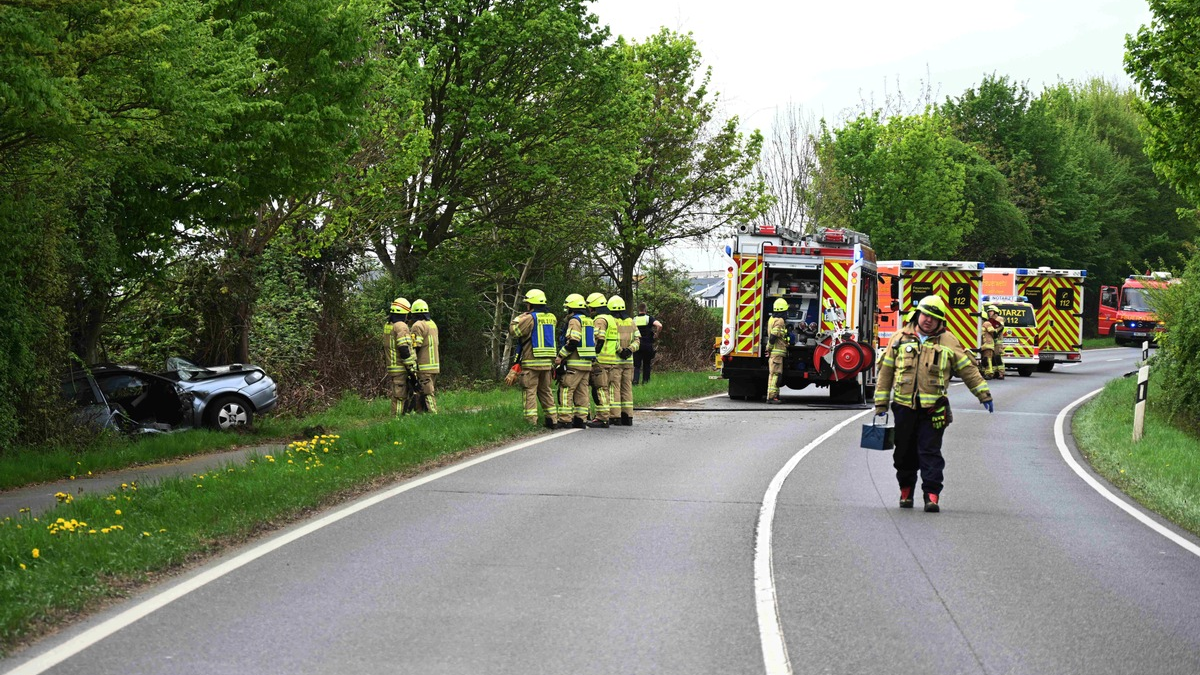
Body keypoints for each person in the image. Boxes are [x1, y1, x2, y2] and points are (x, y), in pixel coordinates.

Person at [873, 294, 994, 513]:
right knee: (903, 453)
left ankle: (931, 495)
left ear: (941, 321)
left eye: (934, 317)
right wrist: (881, 404)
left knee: (930, 452)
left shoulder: (949, 341)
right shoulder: (899, 338)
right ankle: (906, 490)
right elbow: (886, 372)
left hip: (934, 409)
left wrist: (983, 394)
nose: (928, 320)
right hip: (904, 407)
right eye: (925, 315)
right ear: (918, 314)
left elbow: (968, 370)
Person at [510, 288, 557, 429]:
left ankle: (531, 422)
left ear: (531, 305)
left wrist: (520, 317)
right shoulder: (552, 318)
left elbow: (514, 330)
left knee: (529, 391)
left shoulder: (530, 318)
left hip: (532, 362)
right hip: (547, 363)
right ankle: (553, 420)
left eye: (527, 304)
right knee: (546, 391)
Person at [554, 293, 595, 429]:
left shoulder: (574, 321)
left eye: (568, 308)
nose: (567, 311)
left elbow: (573, 341)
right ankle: (580, 419)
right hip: (587, 363)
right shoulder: (588, 320)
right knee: (582, 392)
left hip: (575, 363)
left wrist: (560, 356)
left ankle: (565, 419)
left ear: (572, 308)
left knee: (566, 389)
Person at [607, 295, 640, 425]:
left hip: (615, 361)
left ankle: (615, 417)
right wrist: (630, 350)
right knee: (627, 388)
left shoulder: (612, 322)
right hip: (629, 362)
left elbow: (611, 341)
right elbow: (637, 340)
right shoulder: (631, 322)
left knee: (614, 388)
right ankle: (628, 416)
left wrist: (621, 351)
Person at [384, 297, 417, 417]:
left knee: (400, 394)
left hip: (393, 365)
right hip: (400, 367)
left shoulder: (389, 325)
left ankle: (403, 416)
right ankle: (396, 421)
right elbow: (404, 349)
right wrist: (411, 368)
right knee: (399, 396)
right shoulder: (401, 327)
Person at [586, 292, 613, 428]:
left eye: (590, 307)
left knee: (600, 389)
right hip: (611, 360)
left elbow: (599, 339)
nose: (589, 310)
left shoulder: (599, 320)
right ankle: (601, 417)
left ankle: (602, 419)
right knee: (604, 389)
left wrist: (593, 355)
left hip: (600, 360)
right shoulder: (611, 318)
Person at [409, 299, 440, 414]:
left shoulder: (418, 325)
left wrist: (411, 362)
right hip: (434, 365)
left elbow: (415, 346)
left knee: (427, 392)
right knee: (423, 391)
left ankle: (433, 414)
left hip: (424, 365)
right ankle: (420, 413)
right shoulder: (432, 324)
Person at [632, 303, 663, 385]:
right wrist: (656, 334)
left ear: (638, 310)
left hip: (637, 344)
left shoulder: (634, 319)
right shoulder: (649, 318)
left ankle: (635, 381)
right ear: (646, 310)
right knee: (646, 364)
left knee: (636, 365)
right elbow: (659, 325)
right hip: (647, 344)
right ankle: (645, 382)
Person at [766, 298, 789, 404]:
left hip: (775, 353)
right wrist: (769, 348)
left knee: (773, 374)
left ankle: (773, 395)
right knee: (776, 375)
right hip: (777, 353)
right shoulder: (779, 321)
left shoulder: (771, 319)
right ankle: (772, 397)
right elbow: (773, 336)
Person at [981, 304, 1006, 380]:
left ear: (995, 312)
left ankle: (1001, 373)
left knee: (998, 357)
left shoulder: (999, 318)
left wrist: (994, 331)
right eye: (988, 312)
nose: (989, 313)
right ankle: (995, 372)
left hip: (997, 341)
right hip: (992, 341)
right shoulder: (990, 320)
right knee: (993, 358)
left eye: (991, 311)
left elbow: (999, 327)